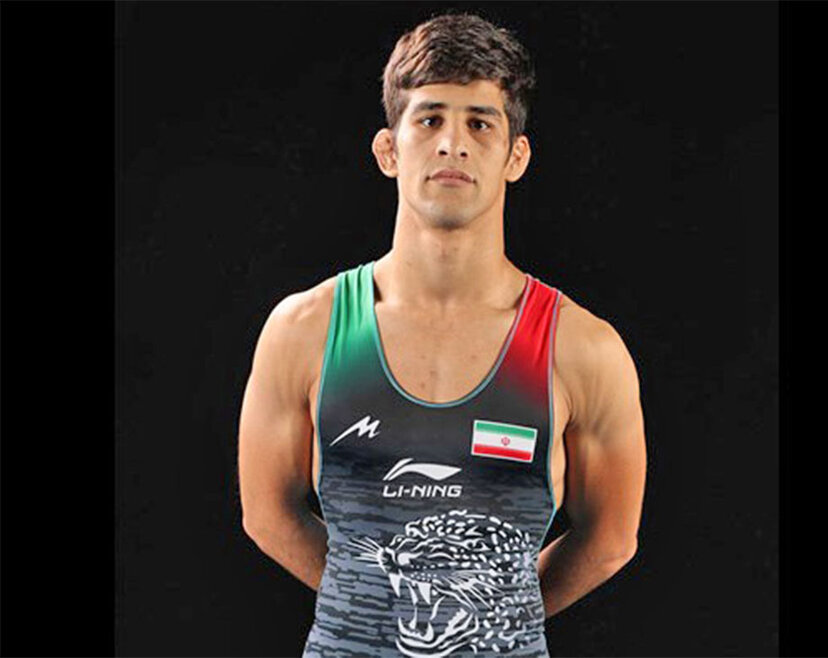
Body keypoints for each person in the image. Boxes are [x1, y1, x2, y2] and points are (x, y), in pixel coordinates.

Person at [238, 12, 646, 657]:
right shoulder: (305, 329)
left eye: (479, 123)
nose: (452, 143)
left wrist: (484, 608)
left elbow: (611, 540)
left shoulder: (582, 349)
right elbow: (267, 515)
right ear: (388, 150)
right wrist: (379, 601)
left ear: (515, 156)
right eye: (430, 119)